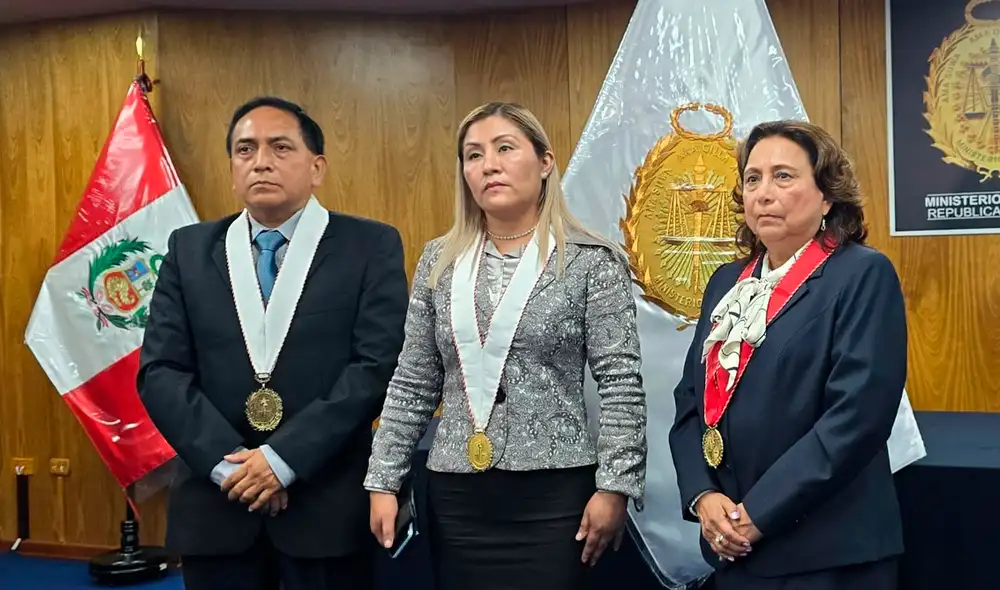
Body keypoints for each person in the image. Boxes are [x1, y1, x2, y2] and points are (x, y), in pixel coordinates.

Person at [364, 101, 647, 590]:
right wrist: (384, 480)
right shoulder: (440, 260)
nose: (488, 165)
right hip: (457, 495)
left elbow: (621, 384)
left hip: (555, 494)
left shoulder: (591, 261)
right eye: (473, 155)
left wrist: (616, 486)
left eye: (504, 148)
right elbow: (412, 381)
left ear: (545, 162)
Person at [136, 96, 409, 590]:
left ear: (317, 167)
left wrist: (283, 461)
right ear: (232, 169)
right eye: (245, 150)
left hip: (324, 506)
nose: (260, 161)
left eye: (280, 147)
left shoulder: (369, 246)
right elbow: (161, 372)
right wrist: (232, 468)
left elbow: (375, 366)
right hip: (216, 507)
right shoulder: (188, 250)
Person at [668, 120, 906, 589]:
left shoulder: (863, 274)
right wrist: (702, 496)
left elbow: (856, 419)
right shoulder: (726, 281)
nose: (763, 193)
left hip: (826, 556)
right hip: (734, 549)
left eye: (783, 176)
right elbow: (691, 401)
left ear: (827, 196)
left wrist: (757, 514)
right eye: (752, 178)